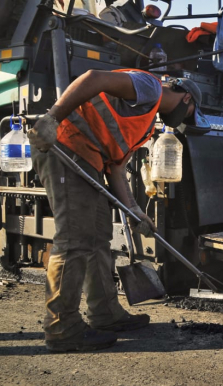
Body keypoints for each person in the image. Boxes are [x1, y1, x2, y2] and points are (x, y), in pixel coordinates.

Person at [27, 68, 204, 351]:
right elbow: (94, 77)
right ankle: (61, 327)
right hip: (64, 145)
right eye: (191, 112)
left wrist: (135, 212)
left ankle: (105, 314)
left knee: (98, 238)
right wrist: (52, 118)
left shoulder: (146, 123)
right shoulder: (151, 87)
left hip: (89, 161)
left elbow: (117, 168)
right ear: (186, 99)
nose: (187, 119)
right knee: (74, 241)